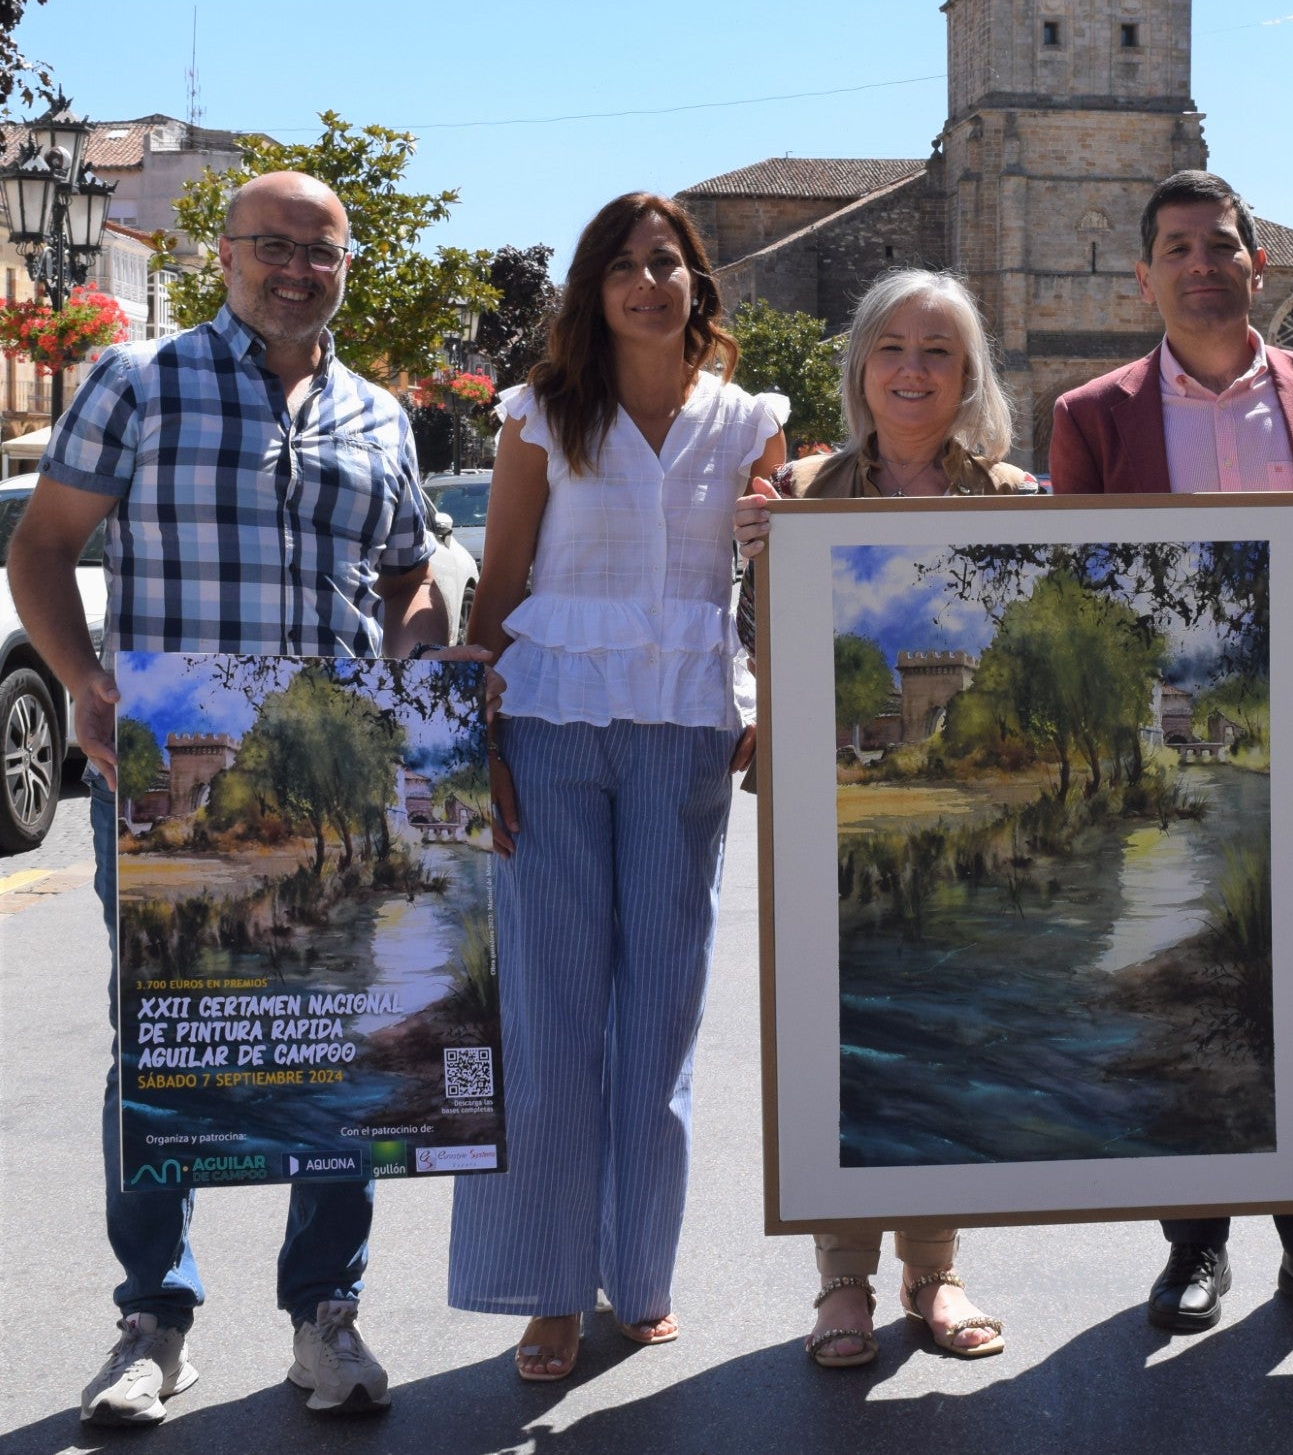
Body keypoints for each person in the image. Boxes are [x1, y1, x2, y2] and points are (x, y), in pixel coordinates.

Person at [10, 171, 462, 1424]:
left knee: (346, 1029)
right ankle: (153, 1318)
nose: (296, 270)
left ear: (345, 267)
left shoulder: (381, 416)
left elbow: (412, 573)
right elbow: (40, 545)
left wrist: (421, 665)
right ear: (225, 256)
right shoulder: (136, 381)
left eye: (320, 253)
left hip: (336, 772)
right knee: (162, 1032)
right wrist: (82, 682)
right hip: (165, 772)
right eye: (272, 246)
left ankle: (327, 1314)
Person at [1048, 169, 1293, 1340]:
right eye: (1177, 248)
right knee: (1187, 988)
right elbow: (1076, 593)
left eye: (1220, 245)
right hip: (1169, 759)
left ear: (1256, 264)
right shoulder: (1091, 415)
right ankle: (1194, 1247)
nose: (1201, 264)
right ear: (1143, 274)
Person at [447, 193, 782, 1381]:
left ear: (697, 284)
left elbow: (772, 580)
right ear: (594, 289)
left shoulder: (750, 423)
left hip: (686, 728)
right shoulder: (542, 416)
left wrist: (773, 696)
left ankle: (638, 1272)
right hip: (544, 723)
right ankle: (547, 1288)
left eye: (668, 262)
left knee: (659, 1018)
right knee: (546, 1020)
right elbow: (497, 588)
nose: (647, 281)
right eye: (625, 266)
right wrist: (473, 745)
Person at [733, 267, 1034, 1367]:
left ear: (970, 376)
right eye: (893, 348)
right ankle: (843, 1284)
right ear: (861, 365)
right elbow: (764, 655)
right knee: (836, 1039)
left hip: (963, 823)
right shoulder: (800, 494)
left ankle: (937, 1272)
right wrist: (757, 559)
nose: (914, 369)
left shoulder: (1017, 501)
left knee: (944, 1028)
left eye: (939, 351)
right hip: (826, 818)